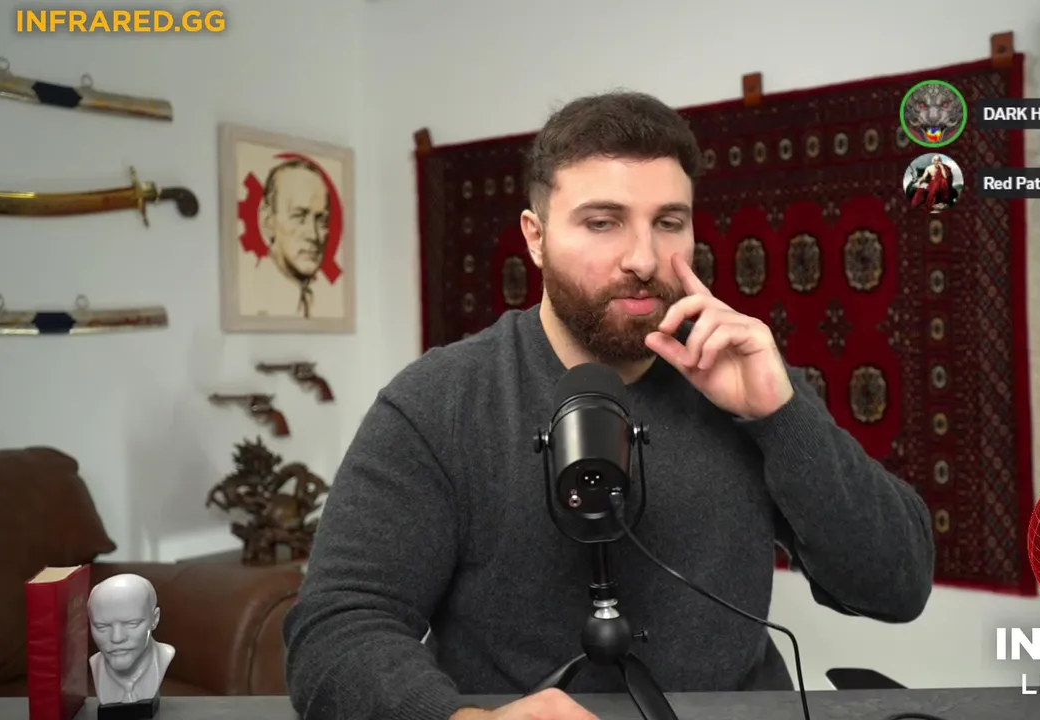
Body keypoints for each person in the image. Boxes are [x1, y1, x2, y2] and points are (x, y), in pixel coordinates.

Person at [283, 91, 935, 720]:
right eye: (603, 222)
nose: (643, 259)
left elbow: (896, 586)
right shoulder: (440, 402)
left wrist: (781, 416)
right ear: (536, 237)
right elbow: (336, 630)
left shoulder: (742, 377)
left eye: (669, 223)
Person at [242, 157, 331, 318]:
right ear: (268, 222)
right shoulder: (251, 301)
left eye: (321, 220)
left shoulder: (319, 304)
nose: (313, 235)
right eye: (299, 216)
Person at [87, 574, 175, 705]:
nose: (117, 638)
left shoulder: (164, 656)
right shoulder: (96, 665)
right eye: (102, 626)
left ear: (154, 619)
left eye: (132, 624)